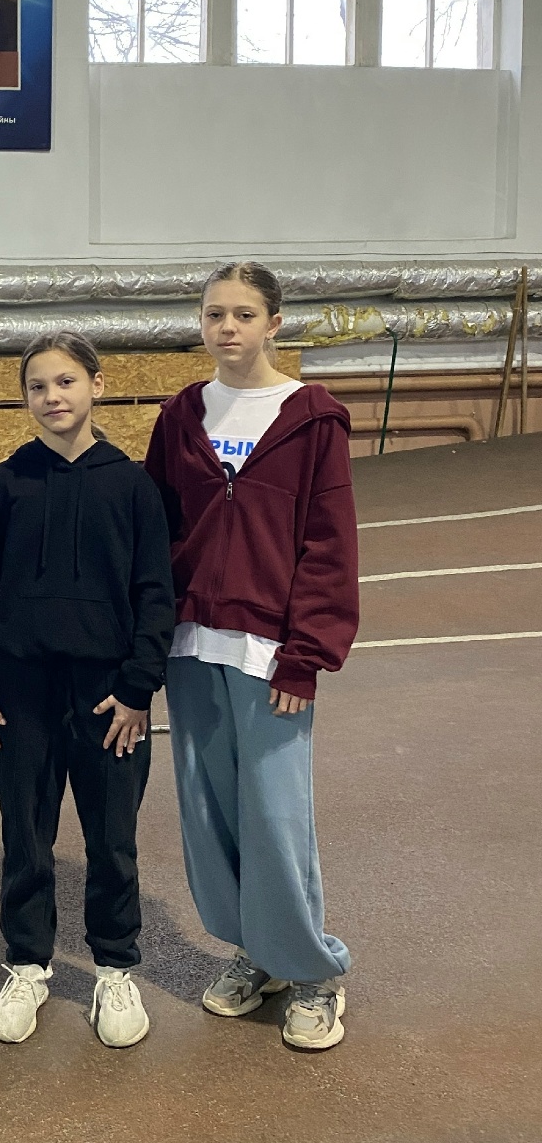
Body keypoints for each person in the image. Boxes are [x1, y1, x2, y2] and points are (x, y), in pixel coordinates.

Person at [143, 262, 358, 1053]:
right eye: (214, 314)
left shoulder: (312, 420)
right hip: (190, 647)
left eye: (242, 314)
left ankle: (312, 971)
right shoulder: (181, 416)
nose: (226, 327)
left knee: (275, 815)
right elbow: (156, 530)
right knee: (211, 816)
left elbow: (330, 546)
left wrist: (306, 656)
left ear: (274, 322)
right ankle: (256, 952)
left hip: (271, 655)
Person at [0, 333, 176, 1047]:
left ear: (96, 385)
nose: (52, 397)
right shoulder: (3, 487)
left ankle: (114, 968)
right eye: (37, 386)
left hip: (109, 698)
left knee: (112, 839)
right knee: (25, 837)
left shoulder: (133, 486)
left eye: (65, 382)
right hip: (19, 693)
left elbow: (155, 594)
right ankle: (28, 963)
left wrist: (138, 689)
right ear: (24, 397)